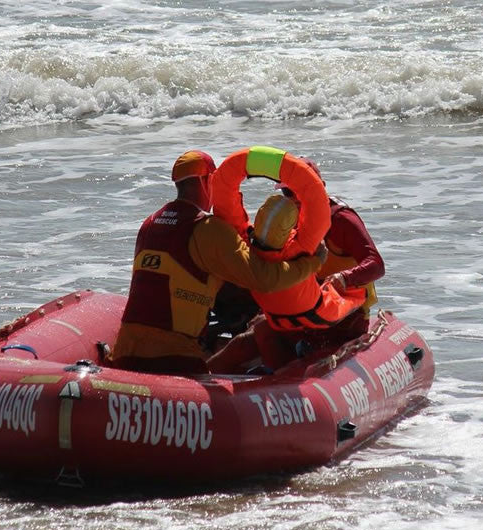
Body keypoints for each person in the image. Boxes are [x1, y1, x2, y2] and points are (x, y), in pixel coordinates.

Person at [109, 150, 327, 375]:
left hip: (125, 353)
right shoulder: (208, 229)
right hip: (173, 359)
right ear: (208, 181)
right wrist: (312, 263)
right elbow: (264, 279)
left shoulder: (150, 223)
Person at [208, 157, 384, 373]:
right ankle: (194, 384)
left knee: (264, 332)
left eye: (301, 193)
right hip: (306, 315)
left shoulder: (341, 220)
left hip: (344, 320)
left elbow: (376, 264)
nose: (294, 200)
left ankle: (283, 385)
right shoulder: (286, 225)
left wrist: (344, 279)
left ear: (319, 191)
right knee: (253, 334)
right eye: (287, 193)